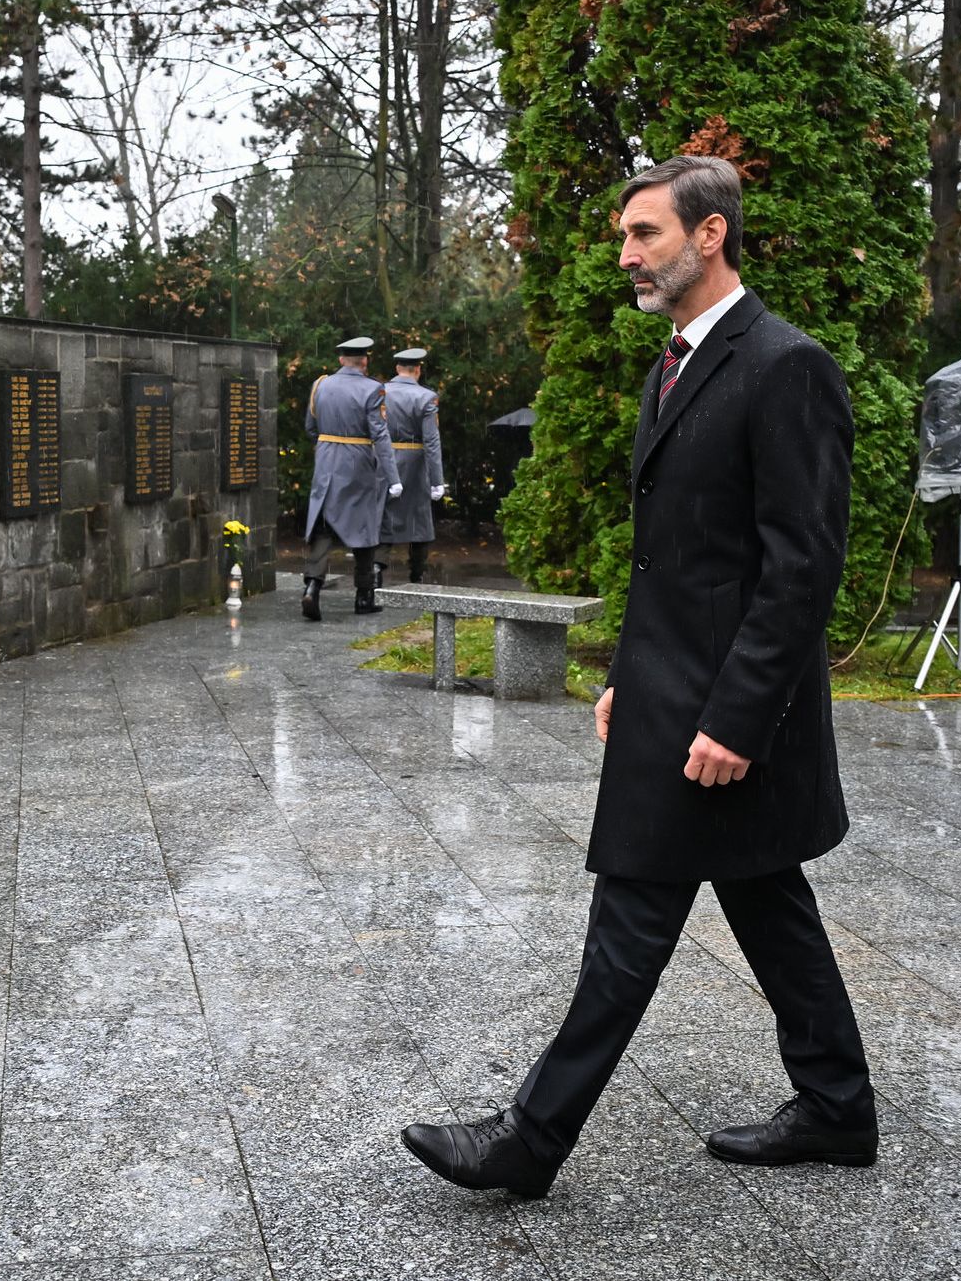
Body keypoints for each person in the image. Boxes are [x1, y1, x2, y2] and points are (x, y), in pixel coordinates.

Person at [401, 155, 873, 1197]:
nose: (624, 254)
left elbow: (801, 567)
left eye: (645, 233)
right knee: (764, 896)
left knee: (631, 917)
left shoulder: (783, 365)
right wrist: (627, 671)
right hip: (675, 692)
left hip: (726, 715)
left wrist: (737, 718)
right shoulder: (675, 364)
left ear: (710, 236)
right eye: (624, 235)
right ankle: (837, 1106)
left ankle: (531, 1136)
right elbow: (677, 558)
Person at [301, 336, 402, 619]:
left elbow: (311, 427)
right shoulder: (373, 389)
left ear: (341, 360)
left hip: (326, 461)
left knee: (323, 527)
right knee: (365, 530)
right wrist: (393, 477)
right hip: (358, 462)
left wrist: (328, 446)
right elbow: (380, 434)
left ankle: (312, 587)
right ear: (365, 361)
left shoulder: (321, 385)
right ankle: (364, 597)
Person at [374, 348, 447, 588]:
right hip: (415, 462)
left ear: (397, 369)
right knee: (419, 522)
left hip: (385, 461)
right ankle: (417, 575)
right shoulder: (426, 397)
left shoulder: (381, 392)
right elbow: (432, 441)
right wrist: (437, 480)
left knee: (385, 517)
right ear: (418, 369)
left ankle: (376, 568)